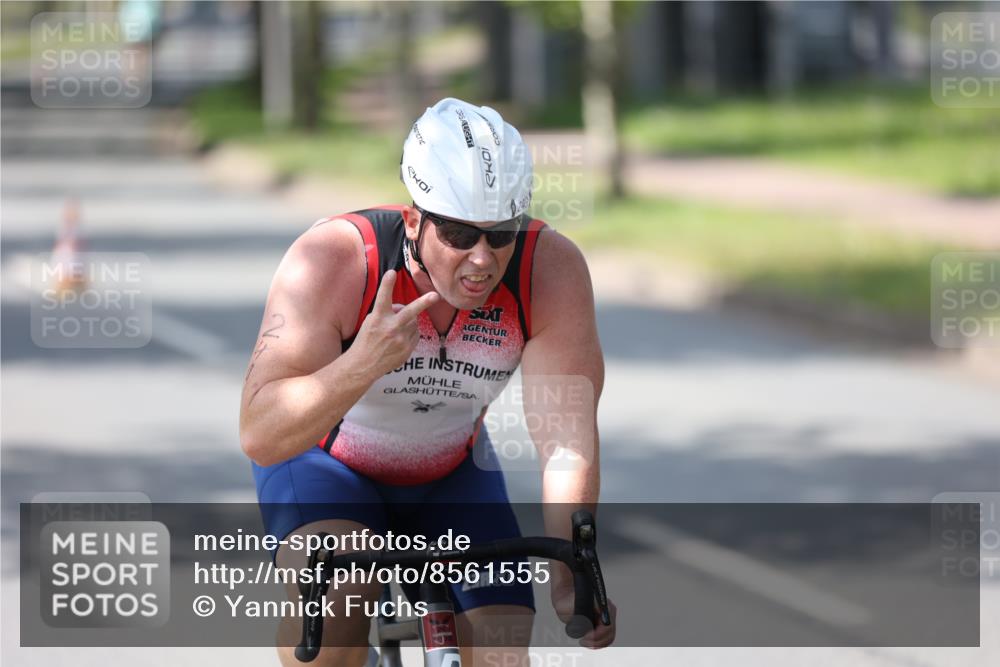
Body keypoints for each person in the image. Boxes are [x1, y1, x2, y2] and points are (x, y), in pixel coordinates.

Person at [240, 97, 615, 666]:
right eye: (460, 234)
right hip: (323, 464)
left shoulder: (550, 271)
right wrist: (362, 363)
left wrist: (570, 568)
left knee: (504, 646)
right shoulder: (334, 260)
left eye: (502, 233)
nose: (483, 260)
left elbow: (565, 442)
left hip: (449, 473)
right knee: (338, 612)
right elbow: (262, 432)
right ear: (414, 219)